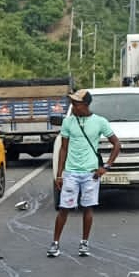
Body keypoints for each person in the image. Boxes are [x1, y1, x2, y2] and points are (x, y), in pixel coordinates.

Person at [49, 89, 121, 258]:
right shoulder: (68, 122)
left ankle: (84, 243)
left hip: (91, 173)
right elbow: (63, 148)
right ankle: (55, 243)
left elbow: (116, 144)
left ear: (85, 105)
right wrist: (59, 174)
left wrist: (106, 167)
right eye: (72, 103)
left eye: (76, 103)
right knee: (64, 208)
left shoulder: (100, 122)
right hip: (71, 173)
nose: (73, 106)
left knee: (87, 208)